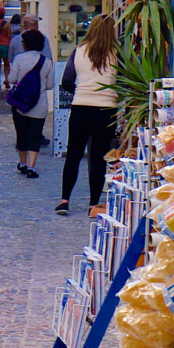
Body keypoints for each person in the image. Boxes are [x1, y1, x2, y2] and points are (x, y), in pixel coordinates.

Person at [56, 15, 119, 218]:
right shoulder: (117, 55)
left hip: (81, 108)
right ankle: (93, 204)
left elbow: (66, 81)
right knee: (98, 158)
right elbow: (126, 82)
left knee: (73, 155)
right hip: (106, 110)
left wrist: (81, 91)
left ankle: (65, 200)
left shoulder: (79, 51)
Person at [7, 28, 52, 178]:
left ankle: (23, 163)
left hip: (21, 104)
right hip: (39, 104)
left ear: (25, 44)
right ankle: (32, 167)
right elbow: (50, 85)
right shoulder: (46, 61)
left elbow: (12, 79)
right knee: (35, 135)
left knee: (22, 134)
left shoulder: (19, 59)